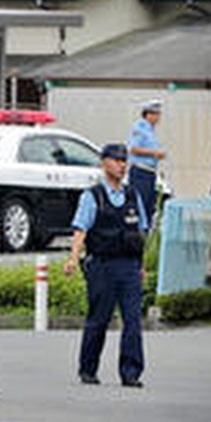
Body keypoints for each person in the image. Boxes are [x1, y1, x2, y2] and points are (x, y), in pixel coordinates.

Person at [64, 142, 149, 387]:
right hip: (102, 266)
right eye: (117, 161)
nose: (123, 166)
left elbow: (140, 231)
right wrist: (73, 258)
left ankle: (130, 372)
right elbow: (80, 229)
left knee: (132, 321)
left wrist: (141, 266)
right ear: (104, 163)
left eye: (125, 161)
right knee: (98, 319)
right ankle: (88, 369)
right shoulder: (93, 196)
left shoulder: (132, 195)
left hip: (129, 266)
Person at [127, 99, 165, 227]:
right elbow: (133, 149)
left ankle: (147, 235)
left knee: (149, 207)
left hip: (149, 173)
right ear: (148, 115)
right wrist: (154, 153)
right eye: (156, 114)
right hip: (140, 172)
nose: (158, 118)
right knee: (140, 206)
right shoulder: (140, 128)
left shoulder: (150, 130)